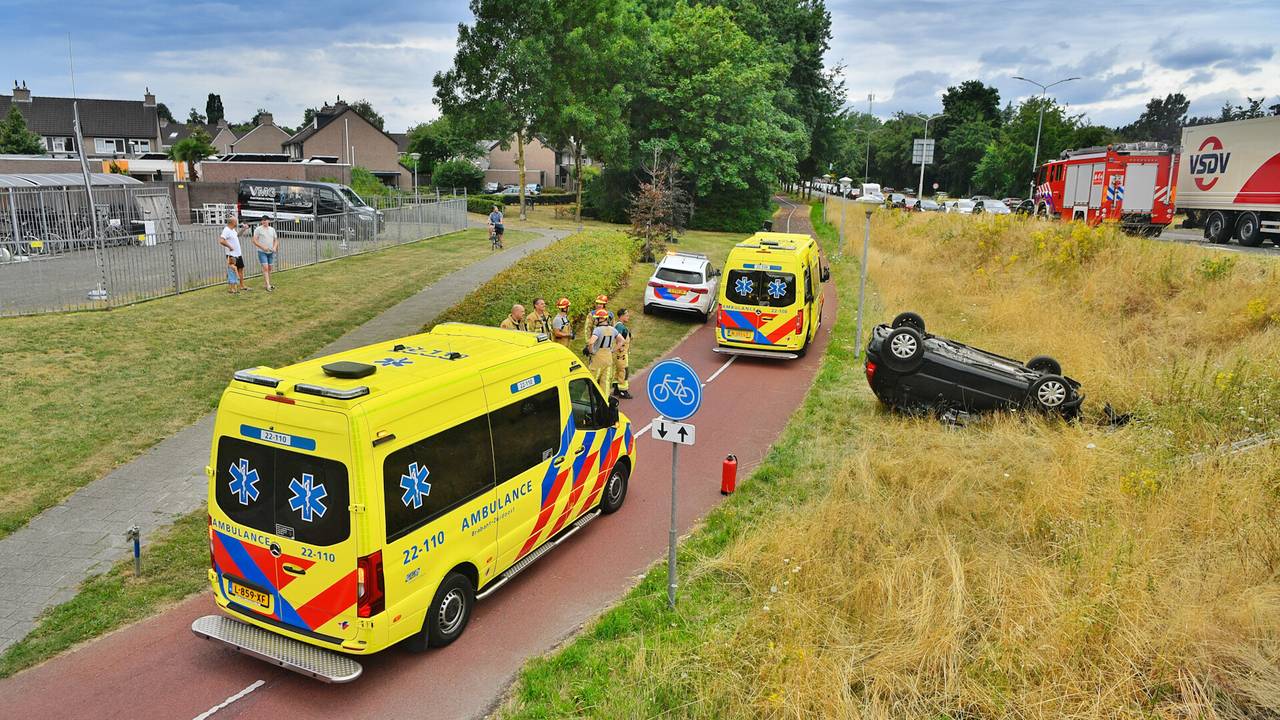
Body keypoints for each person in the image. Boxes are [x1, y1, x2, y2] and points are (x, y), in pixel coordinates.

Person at [586, 309, 617, 392]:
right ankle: (605, 402)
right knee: (605, 383)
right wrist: (613, 350)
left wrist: (591, 351)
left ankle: (589, 400)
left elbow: (591, 342)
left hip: (598, 359)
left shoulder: (597, 330)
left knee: (592, 380)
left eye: (597, 318)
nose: (595, 320)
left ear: (601, 319)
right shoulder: (612, 329)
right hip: (608, 357)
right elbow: (621, 341)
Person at [219, 216, 246, 294]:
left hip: (238, 253)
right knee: (232, 270)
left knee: (240, 269)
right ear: (232, 222)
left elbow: (237, 236)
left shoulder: (233, 230)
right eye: (236, 221)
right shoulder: (226, 230)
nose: (237, 222)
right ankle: (232, 288)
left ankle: (242, 285)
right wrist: (229, 247)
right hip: (231, 255)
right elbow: (221, 241)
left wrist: (243, 230)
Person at [252, 215, 278, 292]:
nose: (264, 222)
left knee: (269, 268)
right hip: (262, 252)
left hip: (270, 252)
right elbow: (254, 240)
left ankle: (267, 283)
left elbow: (276, 240)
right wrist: (262, 247)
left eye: (265, 220)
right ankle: (268, 285)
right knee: (265, 267)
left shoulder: (272, 229)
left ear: (268, 221)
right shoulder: (258, 229)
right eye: (262, 220)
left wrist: (274, 247)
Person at [611, 308, 633, 399]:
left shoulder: (618, 325)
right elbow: (619, 340)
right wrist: (618, 349)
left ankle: (616, 388)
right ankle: (623, 391)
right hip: (621, 354)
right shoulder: (620, 327)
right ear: (622, 316)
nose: (628, 317)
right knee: (624, 371)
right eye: (627, 315)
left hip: (619, 354)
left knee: (618, 371)